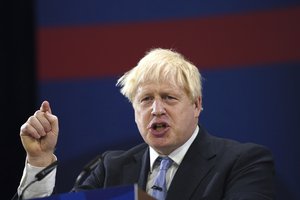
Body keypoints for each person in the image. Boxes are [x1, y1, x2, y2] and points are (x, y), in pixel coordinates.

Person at [15, 48, 275, 200]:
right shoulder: (109, 169)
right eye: (146, 99)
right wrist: (40, 160)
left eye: (169, 98)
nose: (156, 109)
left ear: (196, 105)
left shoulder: (243, 163)